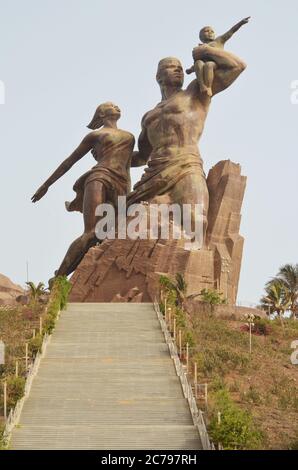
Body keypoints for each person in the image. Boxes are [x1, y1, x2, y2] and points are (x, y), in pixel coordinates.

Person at [128, 46, 247, 243]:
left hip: (186, 165)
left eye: (181, 68)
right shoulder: (148, 117)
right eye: (171, 67)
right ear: (158, 76)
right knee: (131, 224)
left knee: (196, 221)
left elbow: (237, 66)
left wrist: (206, 51)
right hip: (155, 173)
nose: (178, 70)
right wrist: (112, 159)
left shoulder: (195, 92)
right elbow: (141, 156)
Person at [31, 102, 135, 277]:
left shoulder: (130, 136)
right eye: (111, 106)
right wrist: (46, 185)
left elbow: (128, 165)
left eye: (117, 105)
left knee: (113, 233)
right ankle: (60, 277)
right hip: (99, 177)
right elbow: (69, 161)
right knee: (91, 233)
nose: (116, 107)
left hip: (122, 184)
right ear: (101, 115)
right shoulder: (95, 135)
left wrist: (128, 191)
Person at [186, 17, 250, 97]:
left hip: (215, 64)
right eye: (206, 31)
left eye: (212, 31)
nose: (210, 33)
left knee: (209, 65)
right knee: (198, 63)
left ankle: (208, 87)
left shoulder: (218, 41)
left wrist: (240, 23)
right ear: (201, 36)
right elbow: (196, 63)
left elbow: (230, 32)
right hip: (201, 65)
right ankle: (202, 85)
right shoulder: (199, 48)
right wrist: (191, 70)